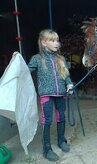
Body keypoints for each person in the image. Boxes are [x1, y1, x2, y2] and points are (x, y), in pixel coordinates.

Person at [26, 29, 73, 161]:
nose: (56, 43)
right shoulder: (37, 59)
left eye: (57, 40)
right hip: (46, 94)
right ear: (44, 43)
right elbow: (25, 71)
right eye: (52, 40)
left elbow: (66, 75)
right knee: (47, 120)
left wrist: (69, 84)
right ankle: (47, 149)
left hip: (60, 94)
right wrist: (16, 61)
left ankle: (61, 141)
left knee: (61, 117)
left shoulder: (61, 59)